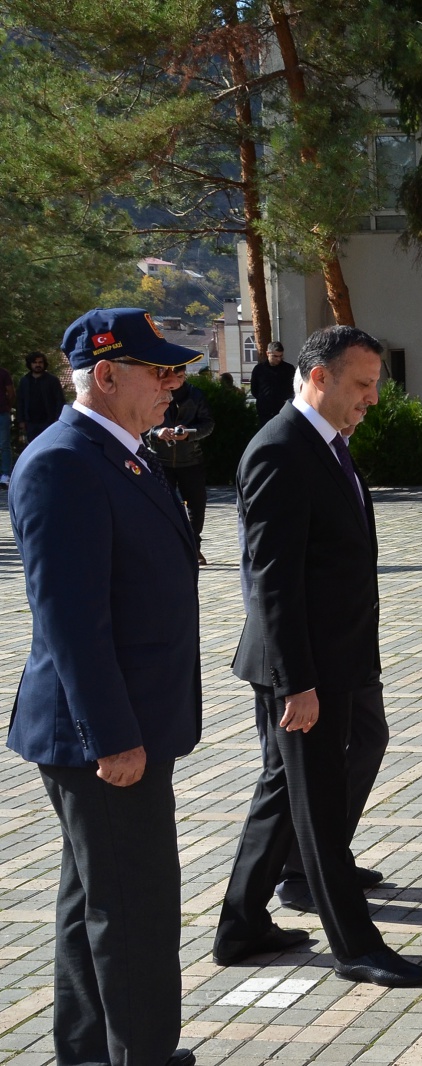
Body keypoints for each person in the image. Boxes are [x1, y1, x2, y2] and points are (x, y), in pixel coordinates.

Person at [8, 307, 204, 1066]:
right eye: (160, 371)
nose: (174, 383)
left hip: (124, 720)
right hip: (105, 732)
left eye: (177, 370)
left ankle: (92, 1054)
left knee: (94, 902)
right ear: (107, 375)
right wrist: (112, 734)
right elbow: (69, 617)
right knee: (137, 912)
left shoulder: (118, 451)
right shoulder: (65, 460)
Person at [214, 324, 422, 988]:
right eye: (361, 385)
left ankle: (240, 924)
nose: (370, 399)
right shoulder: (281, 450)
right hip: (302, 666)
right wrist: (296, 683)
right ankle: (355, 946)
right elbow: (272, 583)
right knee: (317, 798)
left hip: (337, 656)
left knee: (285, 790)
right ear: (318, 377)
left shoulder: (327, 443)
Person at [145, 375, 215, 564]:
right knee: (163, 506)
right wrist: (156, 433)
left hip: (190, 459)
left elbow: (208, 424)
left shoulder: (195, 395)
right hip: (161, 460)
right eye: (172, 375)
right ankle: (167, 548)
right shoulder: (155, 392)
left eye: (181, 375)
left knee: (196, 506)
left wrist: (189, 434)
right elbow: (141, 422)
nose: (177, 380)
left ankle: (194, 548)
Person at [16, 350, 65, 446]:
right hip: (30, 422)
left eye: (40, 362)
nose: (37, 365)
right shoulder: (24, 381)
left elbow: (60, 400)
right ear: (30, 364)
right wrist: (21, 420)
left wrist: (57, 418)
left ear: (44, 363)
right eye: (35, 362)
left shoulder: (52, 380)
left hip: (48, 421)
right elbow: (20, 401)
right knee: (32, 446)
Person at [250, 340, 296, 428]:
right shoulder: (259, 369)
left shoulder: (289, 369)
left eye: (281, 356)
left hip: (283, 411)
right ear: (268, 353)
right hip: (265, 412)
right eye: (275, 356)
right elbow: (254, 390)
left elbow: (294, 388)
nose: (278, 359)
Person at [0, 357, 12, 487]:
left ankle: (5, 474)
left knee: (4, 445)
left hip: (2, 413)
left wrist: (7, 408)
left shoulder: (3, 373)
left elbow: (11, 393)